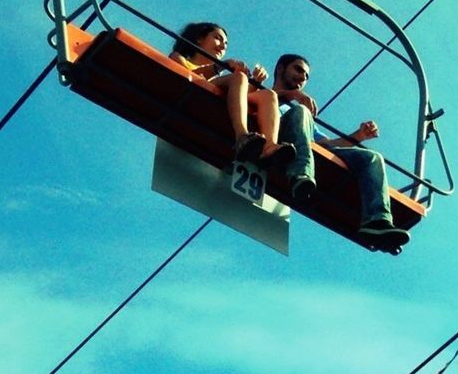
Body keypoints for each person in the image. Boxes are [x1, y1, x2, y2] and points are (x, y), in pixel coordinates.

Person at [272, 53, 410, 252]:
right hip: (282, 143)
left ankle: (377, 221)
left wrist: (359, 135)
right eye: (298, 70)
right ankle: (300, 172)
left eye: (306, 76)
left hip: (309, 151)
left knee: (372, 158)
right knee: (301, 112)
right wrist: (292, 96)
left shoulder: (303, 116)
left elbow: (326, 145)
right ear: (280, 69)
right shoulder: (266, 97)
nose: (302, 78)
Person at [169, 23, 295, 167]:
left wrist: (254, 82)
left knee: (269, 95)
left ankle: (270, 145)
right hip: (193, 97)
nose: (222, 46)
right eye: (217, 38)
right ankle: (241, 135)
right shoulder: (179, 58)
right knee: (239, 77)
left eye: (226, 44)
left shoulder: (221, 78)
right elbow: (188, 76)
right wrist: (220, 66)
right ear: (199, 38)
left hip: (217, 103)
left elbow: (239, 96)